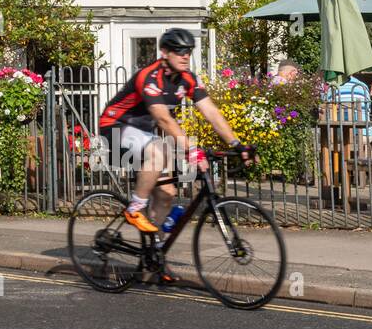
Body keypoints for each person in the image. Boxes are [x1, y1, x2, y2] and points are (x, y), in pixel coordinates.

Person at [100, 28, 256, 239]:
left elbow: (211, 112)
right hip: (115, 126)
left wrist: (236, 144)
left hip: (143, 133)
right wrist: (191, 149)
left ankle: (154, 255)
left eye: (188, 51)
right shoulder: (149, 77)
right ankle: (135, 209)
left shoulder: (187, 79)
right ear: (165, 52)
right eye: (179, 50)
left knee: (167, 194)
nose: (185, 56)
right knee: (159, 152)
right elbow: (164, 119)